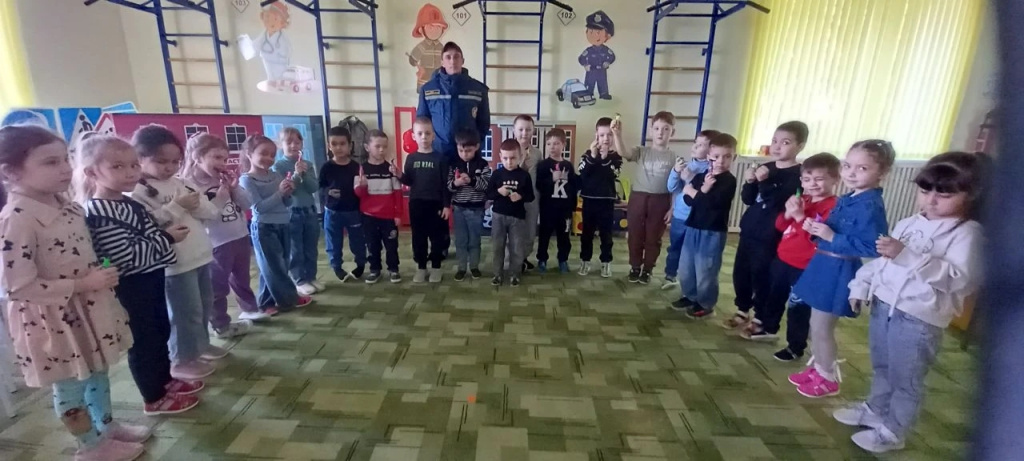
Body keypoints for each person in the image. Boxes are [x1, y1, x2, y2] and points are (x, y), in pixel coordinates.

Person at [0, 126, 148, 460]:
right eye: (50, 162)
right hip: (54, 321)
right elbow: (17, 286)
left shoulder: (66, 205)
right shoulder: (17, 219)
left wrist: (100, 275)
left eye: (65, 159)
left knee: (97, 369)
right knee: (71, 383)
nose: (65, 169)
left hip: (88, 307)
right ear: (11, 172)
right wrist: (83, 284)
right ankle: (89, 446)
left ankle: (105, 427)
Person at [835, 152, 983, 453]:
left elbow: (960, 280)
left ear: (969, 194)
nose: (931, 201)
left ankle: (893, 431)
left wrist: (907, 255)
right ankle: (876, 410)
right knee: (882, 366)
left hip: (919, 318)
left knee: (906, 379)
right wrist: (861, 285)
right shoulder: (908, 223)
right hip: (884, 307)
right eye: (925, 191)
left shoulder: (968, 234)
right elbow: (883, 263)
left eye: (944, 195)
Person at [77, 134, 202, 417]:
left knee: (160, 331)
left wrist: (161, 235)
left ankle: (165, 380)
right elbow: (126, 256)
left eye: (134, 165)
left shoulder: (128, 202)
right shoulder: (99, 212)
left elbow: (146, 232)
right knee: (143, 341)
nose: (130, 172)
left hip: (151, 276)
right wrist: (166, 238)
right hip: (132, 285)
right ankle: (153, 396)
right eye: (118, 167)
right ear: (92, 173)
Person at [788, 140, 894, 398]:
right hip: (824, 263)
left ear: (882, 173)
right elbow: (831, 230)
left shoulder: (870, 205)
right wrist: (814, 229)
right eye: (848, 166)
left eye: (862, 168)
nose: (851, 173)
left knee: (822, 327)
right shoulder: (849, 198)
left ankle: (827, 378)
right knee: (815, 323)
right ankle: (818, 368)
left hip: (838, 269)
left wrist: (831, 236)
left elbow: (873, 246)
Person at [128, 126, 225, 378]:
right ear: (140, 158)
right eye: (161, 161)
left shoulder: (182, 182)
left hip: (200, 255)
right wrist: (177, 206)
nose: (169, 167)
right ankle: (182, 359)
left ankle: (200, 346)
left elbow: (210, 212)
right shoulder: (136, 191)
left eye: (175, 161)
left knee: (203, 306)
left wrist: (196, 204)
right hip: (175, 263)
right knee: (184, 313)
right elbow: (148, 224)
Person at [740, 153, 840, 358]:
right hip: (783, 258)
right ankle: (769, 328)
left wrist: (800, 216)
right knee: (773, 296)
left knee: (798, 307)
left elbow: (816, 238)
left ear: (835, 179)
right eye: (807, 179)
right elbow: (780, 225)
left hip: (805, 266)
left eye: (819, 179)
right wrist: (788, 213)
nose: (813, 184)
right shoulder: (802, 199)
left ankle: (795, 346)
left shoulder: (833, 207)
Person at [181, 133, 269, 333]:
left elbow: (247, 204)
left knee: (242, 278)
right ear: (197, 157)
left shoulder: (223, 179)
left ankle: (249, 308)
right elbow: (202, 217)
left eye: (225, 158)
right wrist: (220, 199)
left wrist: (234, 189)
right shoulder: (189, 185)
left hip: (239, 235)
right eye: (216, 157)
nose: (222, 163)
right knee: (218, 286)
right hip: (217, 243)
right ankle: (220, 324)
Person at [725, 121, 807, 330]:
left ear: (800, 146)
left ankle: (760, 316)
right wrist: (750, 182)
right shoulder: (767, 168)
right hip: (750, 230)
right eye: (774, 141)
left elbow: (777, 202)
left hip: (771, 235)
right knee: (741, 273)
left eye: (785, 142)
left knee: (762, 276)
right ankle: (743, 308)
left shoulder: (798, 176)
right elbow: (748, 199)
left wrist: (763, 182)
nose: (777, 146)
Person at [239, 134, 314, 313]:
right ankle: (289, 299)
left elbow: (287, 203)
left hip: (284, 224)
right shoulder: (247, 179)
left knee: (275, 267)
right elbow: (258, 208)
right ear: (249, 154)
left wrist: (288, 193)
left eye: (272, 155)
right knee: (274, 268)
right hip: (264, 228)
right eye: (263, 153)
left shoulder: (275, 175)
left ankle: (267, 303)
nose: (269, 158)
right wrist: (280, 193)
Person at [671, 133, 739, 319]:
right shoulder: (701, 176)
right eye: (716, 156)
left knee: (706, 270)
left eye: (727, 156)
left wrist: (696, 192)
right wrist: (700, 191)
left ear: (734, 157)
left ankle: (706, 304)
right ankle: (690, 296)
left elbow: (710, 203)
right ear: (709, 156)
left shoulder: (729, 181)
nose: (721, 161)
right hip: (693, 226)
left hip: (712, 232)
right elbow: (688, 200)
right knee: (687, 266)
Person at [613, 111, 678, 285]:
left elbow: (677, 187)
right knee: (635, 235)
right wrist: (617, 135)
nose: (660, 132)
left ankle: (648, 269)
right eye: (656, 128)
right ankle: (635, 266)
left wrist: (672, 208)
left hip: (660, 201)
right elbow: (623, 152)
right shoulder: (642, 151)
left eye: (666, 129)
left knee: (653, 238)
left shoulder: (674, 158)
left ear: (672, 132)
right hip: (638, 199)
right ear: (651, 131)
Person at [396, 117, 451, 283]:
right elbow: (409, 181)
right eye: (420, 133)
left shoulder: (440, 158)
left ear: (433, 136)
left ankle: (436, 267)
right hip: (417, 203)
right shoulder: (411, 158)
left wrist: (446, 205)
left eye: (427, 133)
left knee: (437, 237)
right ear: (414, 136)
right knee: (418, 238)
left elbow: (445, 184)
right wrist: (399, 175)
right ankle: (421, 267)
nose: (424, 137)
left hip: (436, 203)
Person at [416, 41, 491, 160]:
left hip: (467, 154)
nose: (452, 61)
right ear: (442, 62)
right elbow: (422, 122)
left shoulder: (478, 90)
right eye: (448, 57)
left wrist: (472, 146)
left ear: (462, 60)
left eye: (456, 57)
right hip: (438, 153)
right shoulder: (428, 90)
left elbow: (484, 123)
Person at [664, 129, 719, 288]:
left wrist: (690, 178)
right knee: (675, 247)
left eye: (701, 145)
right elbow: (671, 187)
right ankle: (670, 275)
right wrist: (675, 171)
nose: (695, 147)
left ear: (710, 150)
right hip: (679, 217)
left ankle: (689, 282)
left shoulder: (711, 171)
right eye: (696, 142)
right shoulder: (686, 165)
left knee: (692, 253)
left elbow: (702, 194)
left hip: (696, 219)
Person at [273, 127, 322, 294]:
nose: (293, 145)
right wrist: (296, 174)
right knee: (296, 249)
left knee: (311, 247)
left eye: (297, 142)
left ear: (302, 144)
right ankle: (299, 279)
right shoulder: (278, 166)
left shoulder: (308, 164)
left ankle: (311, 276)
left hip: (310, 211)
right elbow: (287, 189)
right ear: (281, 145)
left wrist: (304, 174)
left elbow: (313, 187)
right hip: (292, 213)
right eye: (289, 142)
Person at [354, 130, 403, 284]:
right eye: (377, 146)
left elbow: (398, 193)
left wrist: (398, 214)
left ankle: (393, 269)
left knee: (391, 245)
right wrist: (362, 187)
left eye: (385, 146)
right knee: (372, 245)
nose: (382, 150)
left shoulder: (391, 169)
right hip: (368, 216)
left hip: (388, 217)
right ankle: (375, 269)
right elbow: (359, 194)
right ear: (367, 147)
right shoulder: (361, 169)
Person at [318, 126, 366, 282]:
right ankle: (337, 267)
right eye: (334, 144)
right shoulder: (326, 167)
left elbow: (362, 190)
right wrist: (328, 192)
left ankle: (360, 265)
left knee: (358, 241)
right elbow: (320, 187)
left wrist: (363, 187)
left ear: (350, 145)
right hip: (333, 211)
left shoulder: (356, 167)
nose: (338, 147)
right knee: (334, 242)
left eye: (342, 143)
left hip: (353, 211)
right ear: (329, 146)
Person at [577, 117, 622, 278]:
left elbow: (614, 173)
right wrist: (593, 155)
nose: (606, 138)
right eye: (602, 135)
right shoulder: (588, 154)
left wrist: (604, 158)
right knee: (586, 234)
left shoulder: (616, 156)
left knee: (606, 235)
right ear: (596, 135)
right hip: (589, 201)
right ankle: (585, 260)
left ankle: (606, 262)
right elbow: (582, 172)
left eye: (609, 134)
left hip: (606, 202)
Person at [488, 139, 535, 287]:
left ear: (520, 156)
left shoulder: (524, 175)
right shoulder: (496, 174)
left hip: (517, 218)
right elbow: (488, 194)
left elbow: (531, 196)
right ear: (500, 157)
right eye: (506, 158)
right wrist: (498, 192)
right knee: (497, 247)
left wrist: (520, 196)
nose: (509, 162)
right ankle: (497, 274)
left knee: (516, 248)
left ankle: (515, 274)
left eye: (513, 158)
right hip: (498, 216)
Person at [447, 129, 491, 281]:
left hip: (476, 209)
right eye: (460, 150)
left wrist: (471, 181)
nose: (464, 154)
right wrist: (456, 183)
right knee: (460, 240)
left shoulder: (482, 164)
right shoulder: (453, 164)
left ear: (476, 147)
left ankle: (474, 266)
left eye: (468, 151)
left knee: (474, 240)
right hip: (459, 209)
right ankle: (461, 268)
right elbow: (448, 186)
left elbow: (486, 185)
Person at [535, 128, 578, 274]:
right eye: (549, 144)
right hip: (548, 208)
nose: (552, 147)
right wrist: (551, 179)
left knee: (564, 237)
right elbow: (539, 185)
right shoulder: (543, 165)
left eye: (556, 143)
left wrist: (573, 207)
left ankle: (563, 259)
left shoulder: (568, 166)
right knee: (544, 236)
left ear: (563, 145)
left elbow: (573, 187)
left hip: (564, 210)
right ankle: (542, 259)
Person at [512, 115, 541, 272]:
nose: (524, 133)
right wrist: (521, 166)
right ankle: (514, 261)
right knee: (514, 232)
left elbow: (541, 177)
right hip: (513, 200)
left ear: (533, 131)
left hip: (532, 199)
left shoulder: (537, 153)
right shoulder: (509, 150)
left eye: (528, 129)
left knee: (530, 232)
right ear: (514, 130)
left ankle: (523, 258)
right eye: (521, 129)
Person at [579, 10, 616, 100]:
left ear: (608, 36)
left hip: (601, 70)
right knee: (589, 83)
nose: (595, 36)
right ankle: (588, 94)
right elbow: (581, 58)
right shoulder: (588, 51)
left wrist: (608, 62)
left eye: (598, 32)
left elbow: (612, 56)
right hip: (591, 70)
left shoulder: (606, 50)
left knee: (602, 82)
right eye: (591, 32)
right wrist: (585, 65)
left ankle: (604, 94)